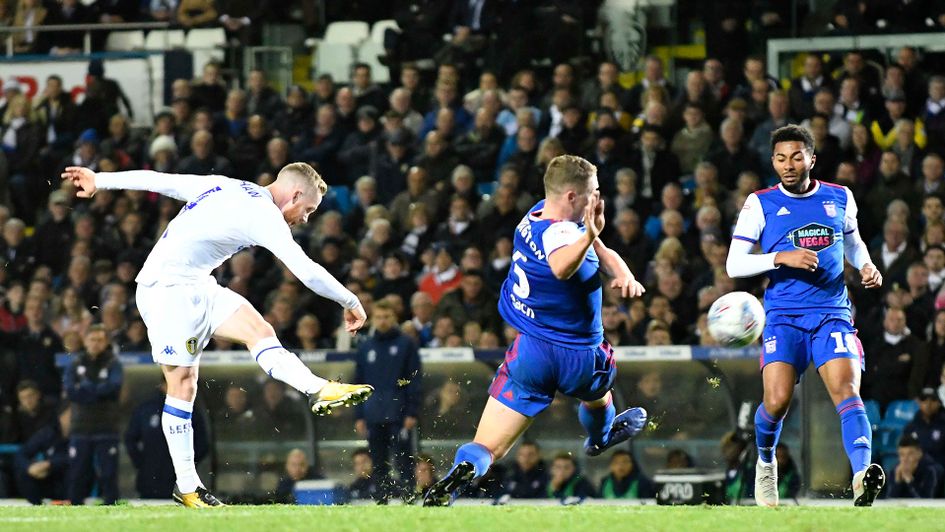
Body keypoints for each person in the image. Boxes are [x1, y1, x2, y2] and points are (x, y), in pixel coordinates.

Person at [60, 162, 373, 507]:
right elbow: (307, 271)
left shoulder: (227, 184)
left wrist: (100, 179)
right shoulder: (264, 214)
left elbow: (161, 181)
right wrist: (350, 300)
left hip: (199, 284)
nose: (306, 218)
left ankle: (319, 389)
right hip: (167, 290)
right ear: (296, 194)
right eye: (309, 209)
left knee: (260, 331)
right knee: (182, 383)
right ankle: (187, 486)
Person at [423, 155, 648, 506]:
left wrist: (624, 273)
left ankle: (461, 473)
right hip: (581, 356)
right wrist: (591, 233)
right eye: (593, 192)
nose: (598, 199)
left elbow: (600, 251)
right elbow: (561, 265)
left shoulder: (535, 215)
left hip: (532, 352)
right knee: (599, 398)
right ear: (572, 196)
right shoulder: (566, 232)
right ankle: (600, 437)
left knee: (488, 446)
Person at [726, 124, 885, 507]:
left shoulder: (840, 196)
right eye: (781, 158)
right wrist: (780, 257)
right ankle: (766, 462)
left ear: (812, 159)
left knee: (847, 391)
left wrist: (866, 265)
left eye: (797, 157)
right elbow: (734, 264)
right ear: (773, 162)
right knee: (777, 401)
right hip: (783, 317)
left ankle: (862, 475)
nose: (789, 165)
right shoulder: (759, 203)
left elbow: (853, 243)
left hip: (832, 313)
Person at [354, 299, 422, 499]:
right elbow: (358, 383)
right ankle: (381, 499)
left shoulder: (406, 344)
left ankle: (409, 497)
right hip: (372, 413)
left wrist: (411, 411)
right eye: (378, 317)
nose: (382, 321)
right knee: (378, 461)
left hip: (399, 413)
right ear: (372, 319)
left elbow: (414, 379)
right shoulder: (365, 347)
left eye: (386, 317)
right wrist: (359, 415)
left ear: (394, 318)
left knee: (403, 459)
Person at [63, 325, 123, 505]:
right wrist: (98, 391)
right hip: (80, 427)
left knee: (108, 473)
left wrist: (86, 388)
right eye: (92, 339)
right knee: (78, 472)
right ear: (85, 341)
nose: (96, 343)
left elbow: (114, 388)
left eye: (100, 340)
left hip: (107, 427)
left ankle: (111, 506)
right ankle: (75, 506)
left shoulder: (113, 363)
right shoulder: (75, 363)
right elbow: (70, 391)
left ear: (106, 342)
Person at [124, 382, 209, 498]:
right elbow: (130, 439)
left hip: (178, 481)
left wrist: (188, 465)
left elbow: (202, 444)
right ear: (163, 385)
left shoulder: (190, 411)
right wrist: (142, 464)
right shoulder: (146, 409)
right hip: (149, 481)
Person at [889, 434, 942, 499]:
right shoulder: (895, 471)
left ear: (920, 453)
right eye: (902, 454)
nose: (905, 459)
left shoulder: (932, 471)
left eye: (910, 454)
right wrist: (897, 482)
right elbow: (889, 502)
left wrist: (909, 480)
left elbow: (927, 502)